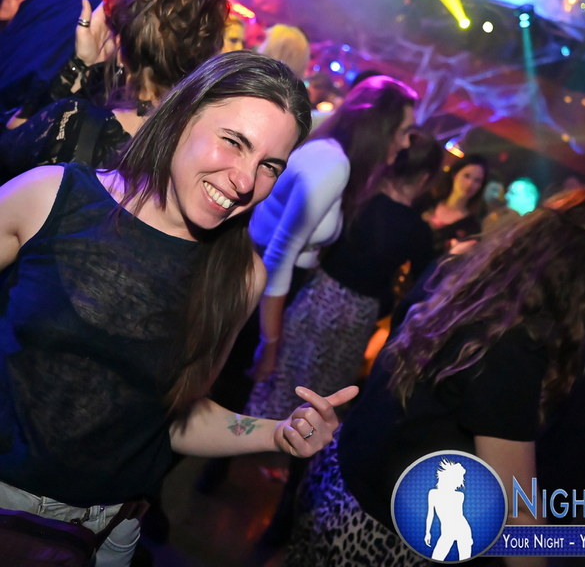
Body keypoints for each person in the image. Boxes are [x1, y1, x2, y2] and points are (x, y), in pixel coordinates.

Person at [0, 50, 358, 567]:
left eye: (269, 166)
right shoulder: (51, 196)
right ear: (183, 115)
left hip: (104, 535)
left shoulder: (239, 277)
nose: (244, 181)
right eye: (233, 141)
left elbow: (176, 415)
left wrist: (276, 433)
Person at [286, 186, 585, 566]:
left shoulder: (461, 269)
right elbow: (518, 512)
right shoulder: (516, 343)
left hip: (336, 483)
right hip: (380, 532)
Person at [245, 75, 419, 417]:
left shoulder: (331, 146)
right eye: (403, 131)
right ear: (378, 128)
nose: (405, 143)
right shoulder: (333, 163)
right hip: (261, 292)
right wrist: (270, 344)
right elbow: (280, 256)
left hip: (262, 285)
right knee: (233, 401)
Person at [0, 0, 227, 182]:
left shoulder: (74, 125)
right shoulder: (201, 159)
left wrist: (80, 64)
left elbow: (9, 150)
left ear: (122, 46)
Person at [420, 153, 488, 256]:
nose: (470, 184)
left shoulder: (471, 227)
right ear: (455, 175)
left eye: (477, 181)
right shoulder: (428, 200)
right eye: (467, 176)